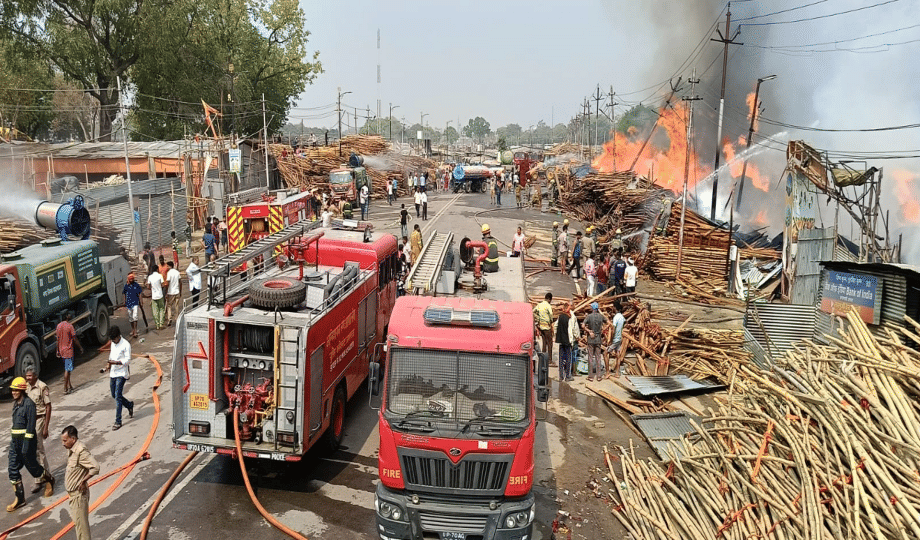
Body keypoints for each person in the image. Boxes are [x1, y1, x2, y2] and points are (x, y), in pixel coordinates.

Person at [7, 377, 55, 510]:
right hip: (15, 442)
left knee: (33, 469)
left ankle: (49, 479)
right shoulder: (16, 404)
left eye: (16, 390)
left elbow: (30, 426)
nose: (13, 393)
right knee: (12, 469)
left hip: (26, 441)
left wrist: (26, 445)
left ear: (22, 390)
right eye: (12, 390)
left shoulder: (29, 404)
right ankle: (20, 499)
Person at [62, 425, 98, 540]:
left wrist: (83, 480)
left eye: (65, 440)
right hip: (73, 496)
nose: (63, 443)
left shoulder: (81, 451)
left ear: (73, 439)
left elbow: (95, 467)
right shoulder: (71, 450)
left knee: (82, 529)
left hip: (78, 495)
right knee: (79, 525)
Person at [25, 369, 51, 495]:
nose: (28, 378)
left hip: (39, 420)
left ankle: (45, 477)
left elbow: (48, 407)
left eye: (30, 376)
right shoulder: (26, 387)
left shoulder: (42, 387)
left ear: (35, 376)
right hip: (29, 422)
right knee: (32, 450)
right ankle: (39, 477)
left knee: (39, 449)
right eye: (27, 376)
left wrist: (46, 427)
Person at [106, 326, 134, 430]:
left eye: (114, 339)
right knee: (114, 395)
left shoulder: (126, 345)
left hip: (121, 373)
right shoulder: (113, 344)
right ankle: (129, 405)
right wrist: (108, 365)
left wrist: (116, 362)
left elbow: (127, 360)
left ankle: (118, 421)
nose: (113, 341)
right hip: (113, 373)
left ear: (118, 336)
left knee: (117, 396)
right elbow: (111, 356)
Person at [55, 311, 82, 394]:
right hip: (68, 351)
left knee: (67, 368)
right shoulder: (70, 326)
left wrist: (57, 350)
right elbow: (74, 338)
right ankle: (65, 388)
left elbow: (57, 339)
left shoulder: (58, 326)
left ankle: (70, 386)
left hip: (62, 350)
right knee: (67, 369)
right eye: (69, 314)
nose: (70, 315)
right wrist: (80, 347)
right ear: (67, 317)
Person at [581, 302, 609, 381]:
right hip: (598, 338)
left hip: (591, 338)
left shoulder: (589, 317)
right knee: (598, 357)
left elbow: (583, 325)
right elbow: (609, 323)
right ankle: (599, 376)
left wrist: (589, 331)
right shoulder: (601, 316)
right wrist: (602, 330)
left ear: (592, 308)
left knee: (590, 357)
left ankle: (590, 376)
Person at [555, 301, 579, 382]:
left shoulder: (560, 316)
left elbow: (555, 326)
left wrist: (556, 335)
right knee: (568, 358)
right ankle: (568, 376)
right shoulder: (571, 317)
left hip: (561, 341)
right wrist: (575, 338)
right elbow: (572, 329)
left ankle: (561, 376)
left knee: (561, 359)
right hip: (568, 341)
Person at [533, 293, 554, 365]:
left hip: (541, 326)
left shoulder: (540, 304)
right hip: (547, 327)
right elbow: (551, 315)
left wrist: (538, 319)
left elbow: (534, 311)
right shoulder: (548, 306)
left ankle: (543, 359)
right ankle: (550, 360)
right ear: (549, 299)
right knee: (550, 343)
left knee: (544, 342)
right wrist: (551, 321)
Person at [607, 303, 626, 377]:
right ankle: (617, 373)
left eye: (613, 307)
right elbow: (623, 325)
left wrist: (611, 340)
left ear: (615, 308)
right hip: (619, 338)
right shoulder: (622, 317)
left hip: (615, 339)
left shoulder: (616, 317)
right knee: (618, 355)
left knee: (605, 353)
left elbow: (613, 330)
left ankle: (607, 372)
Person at [124, 274, 144, 338]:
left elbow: (140, 293)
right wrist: (124, 301)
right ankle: (132, 329)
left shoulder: (136, 285)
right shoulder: (126, 286)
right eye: (130, 279)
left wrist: (141, 301)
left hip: (135, 303)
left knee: (135, 316)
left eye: (132, 279)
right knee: (130, 317)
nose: (131, 280)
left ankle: (135, 330)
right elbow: (124, 293)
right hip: (129, 304)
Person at [165, 261, 182, 327]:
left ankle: (170, 318)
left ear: (170, 266)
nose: (167, 267)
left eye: (167, 266)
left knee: (169, 306)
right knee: (176, 306)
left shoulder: (169, 273)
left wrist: (166, 292)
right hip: (177, 291)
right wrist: (180, 291)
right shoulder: (177, 272)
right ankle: (177, 318)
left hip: (171, 292)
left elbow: (168, 283)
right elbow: (180, 282)